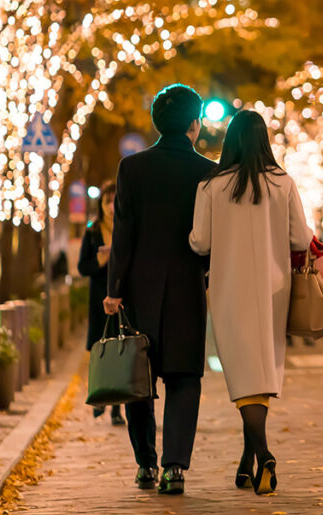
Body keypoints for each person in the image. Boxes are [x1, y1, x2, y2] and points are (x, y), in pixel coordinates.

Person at [189, 110, 313, 496]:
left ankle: (264, 455)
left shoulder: (211, 186)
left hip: (229, 288)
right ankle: (248, 462)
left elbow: (200, 242)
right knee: (260, 371)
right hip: (274, 289)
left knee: (245, 375)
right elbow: (300, 239)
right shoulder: (284, 183)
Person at [104, 84, 216, 495]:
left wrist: (115, 289)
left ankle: (146, 464)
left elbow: (124, 235)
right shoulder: (208, 172)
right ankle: (175, 468)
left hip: (139, 291)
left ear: (156, 122)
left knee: (139, 379)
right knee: (185, 379)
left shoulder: (132, 168)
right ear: (194, 123)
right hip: (187, 289)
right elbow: (211, 239)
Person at [78, 181, 124, 427]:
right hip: (98, 299)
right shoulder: (92, 230)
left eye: (113, 201)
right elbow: (82, 267)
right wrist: (99, 259)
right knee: (99, 352)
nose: (110, 207)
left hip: (121, 300)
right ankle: (99, 397)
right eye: (106, 202)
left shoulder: (126, 226)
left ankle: (117, 407)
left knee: (120, 352)